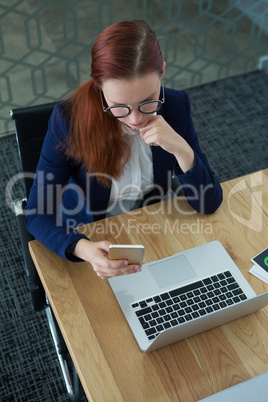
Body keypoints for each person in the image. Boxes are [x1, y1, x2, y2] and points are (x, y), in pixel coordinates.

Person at [25, 19, 222, 279]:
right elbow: (38, 214)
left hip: (153, 223)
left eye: (148, 102)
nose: (135, 120)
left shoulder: (176, 105)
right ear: (99, 87)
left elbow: (209, 203)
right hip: (92, 232)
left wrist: (182, 150)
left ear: (162, 71)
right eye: (119, 106)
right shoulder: (68, 120)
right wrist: (85, 249)